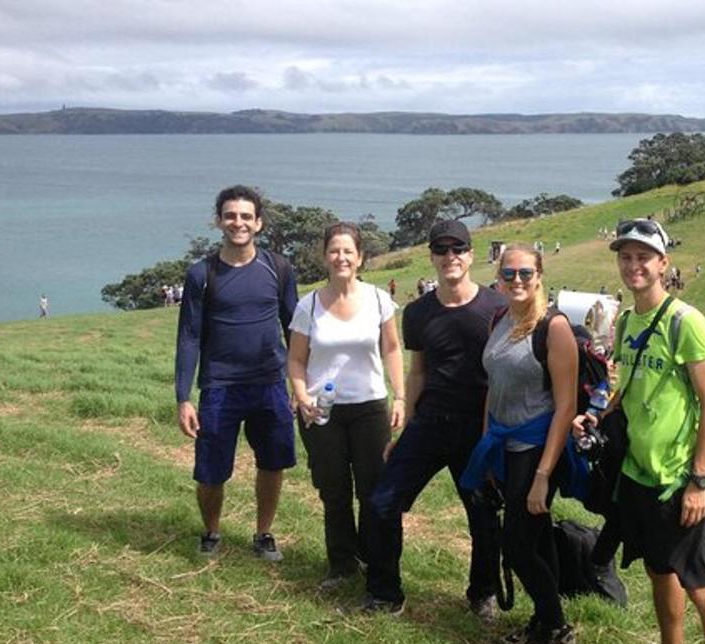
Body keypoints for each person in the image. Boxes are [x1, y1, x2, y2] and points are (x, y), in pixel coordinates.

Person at [574, 218, 705, 644]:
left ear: (663, 264)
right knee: (658, 569)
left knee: (703, 586)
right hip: (638, 474)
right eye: (625, 257)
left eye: (643, 257)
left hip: (678, 480)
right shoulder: (629, 322)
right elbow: (631, 389)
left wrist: (700, 480)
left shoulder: (685, 321)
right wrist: (599, 418)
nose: (633, 266)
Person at [360, 220, 508, 617]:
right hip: (430, 422)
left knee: (483, 514)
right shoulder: (418, 312)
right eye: (441, 250)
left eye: (457, 249)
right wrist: (406, 425)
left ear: (471, 255)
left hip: (479, 427)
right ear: (431, 257)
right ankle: (385, 593)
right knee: (382, 503)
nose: (450, 257)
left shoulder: (497, 308)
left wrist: (499, 433)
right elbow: (418, 370)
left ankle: (483, 592)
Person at [461, 244, 578, 644]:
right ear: (499, 276)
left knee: (516, 543)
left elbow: (566, 407)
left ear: (540, 275)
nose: (516, 281)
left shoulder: (553, 326)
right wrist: (486, 445)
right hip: (503, 444)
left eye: (525, 273)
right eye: (509, 274)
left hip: (535, 447)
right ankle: (545, 621)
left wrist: (543, 476)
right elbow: (493, 387)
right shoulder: (500, 319)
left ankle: (557, 626)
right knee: (536, 537)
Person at [175, 185, 299, 561]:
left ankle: (264, 534)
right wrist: (183, 397)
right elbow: (189, 337)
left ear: (258, 223)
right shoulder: (202, 273)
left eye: (246, 216)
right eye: (230, 215)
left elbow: (294, 329)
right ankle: (211, 532)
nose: (238, 223)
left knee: (272, 463)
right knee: (210, 471)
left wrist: (300, 385)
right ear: (219, 221)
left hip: (269, 384)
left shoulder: (278, 267)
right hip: (219, 387)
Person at [288, 222, 406, 590]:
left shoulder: (377, 300)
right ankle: (341, 565)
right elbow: (295, 359)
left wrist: (399, 395)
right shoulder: (308, 305)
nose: (341, 257)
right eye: (334, 251)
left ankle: (376, 561)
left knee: (372, 491)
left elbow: (391, 349)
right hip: (322, 412)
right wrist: (302, 396)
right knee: (334, 491)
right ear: (325, 256)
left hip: (370, 406)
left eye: (348, 251)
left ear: (361, 258)